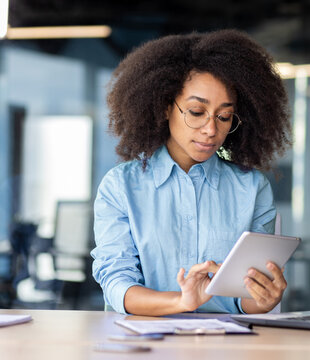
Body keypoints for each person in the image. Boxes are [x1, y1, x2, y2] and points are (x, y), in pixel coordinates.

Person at [91, 29, 292, 316]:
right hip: (143, 345)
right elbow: (116, 282)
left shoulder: (251, 188)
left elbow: (241, 296)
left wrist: (263, 299)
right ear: (164, 107)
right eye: (196, 112)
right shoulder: (121, 186)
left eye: (224, 117)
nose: (211, 130)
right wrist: (180, 302)